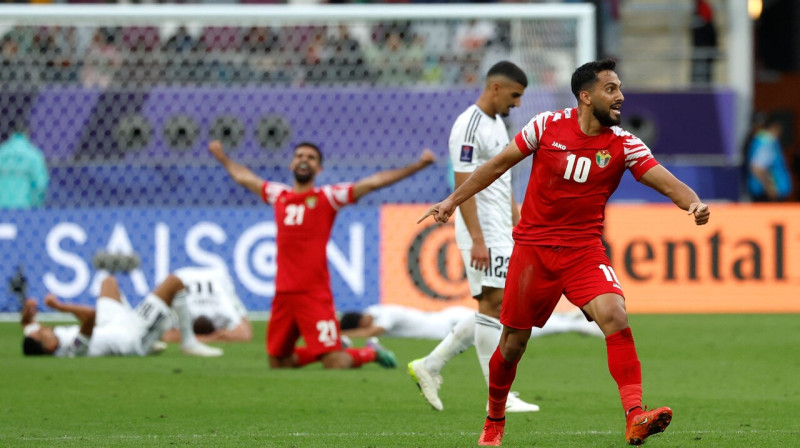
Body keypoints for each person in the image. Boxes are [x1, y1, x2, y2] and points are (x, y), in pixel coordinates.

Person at [418, 59, 711, 446]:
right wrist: (452, 200)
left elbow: (668, 183)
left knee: (615, 314)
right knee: (513, 345)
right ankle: (494, 421)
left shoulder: (624, 144)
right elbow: (497, 165)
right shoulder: (545, 127)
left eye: (620, 88)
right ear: (586, 97)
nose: (620, 96)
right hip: (533, 250)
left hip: (583, 251)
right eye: (611, 89)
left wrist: (692, 203)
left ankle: (635, 415)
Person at [209, 139, 435, 369]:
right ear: (291, 164)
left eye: (311, 157)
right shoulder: (279, 195)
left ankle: (368, 353)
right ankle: (339, 345)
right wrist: (222, 157)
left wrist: (417, 166)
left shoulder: (328, 197)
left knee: (334, 362)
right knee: (278, 362)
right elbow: (245, 178)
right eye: (299, 156)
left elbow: (372, 183)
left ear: (319, 169)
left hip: (313, 294)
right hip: (283, 294)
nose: (304, 160)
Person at [407, 60, 538, 413]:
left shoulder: (496, 123)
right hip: (482, 231)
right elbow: (463, 182)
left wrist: (519, 219)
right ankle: (499, 397)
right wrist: (477, 238)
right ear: (495, 87)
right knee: (494, 306)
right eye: (514, 95)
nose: (516, 104)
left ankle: (430, 366)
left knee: (495, 307)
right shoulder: (468, 125)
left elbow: (501, 176)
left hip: (501, 229)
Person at [21, 274, 223, 358]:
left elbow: (27, 326)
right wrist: (60, 306)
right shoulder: (73, 349)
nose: (43, 328)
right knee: (174, 283)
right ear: (47, 346)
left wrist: (28, 311)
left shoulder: (38, 339)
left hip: (111, 324)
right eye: (42, 333)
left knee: (108, 281)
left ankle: (152, 331)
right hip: (130, 337)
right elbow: (90, 316)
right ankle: (188, 342)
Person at [340, 304, 604, 340]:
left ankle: (576, 325)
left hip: (451, 321)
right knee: (510, 328)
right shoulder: (375, 310)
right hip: (449, 321)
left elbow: (377, 330)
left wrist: (346, 336)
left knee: (514, 332)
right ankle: (568, 320)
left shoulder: (381, 313)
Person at [161, 266, 252, 343]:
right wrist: (216, 337)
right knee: (237, 310)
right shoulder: (221, 313)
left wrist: (194, 339)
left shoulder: (184, 314)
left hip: (183, 277)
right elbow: (245, 333)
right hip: (214, 277)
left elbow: (167, 336)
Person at [746, 113, 793, 202]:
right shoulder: (766, 141)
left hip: (768, 192)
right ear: (776, 126)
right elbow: (758, 167)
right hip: (767, 194)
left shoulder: (767, 140)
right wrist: (770, 187)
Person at [0, 127, 49, 209]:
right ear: (27, 133)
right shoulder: (33, 153)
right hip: (24, 206)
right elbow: (41, 184)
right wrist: (36, 203)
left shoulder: (2, 151)